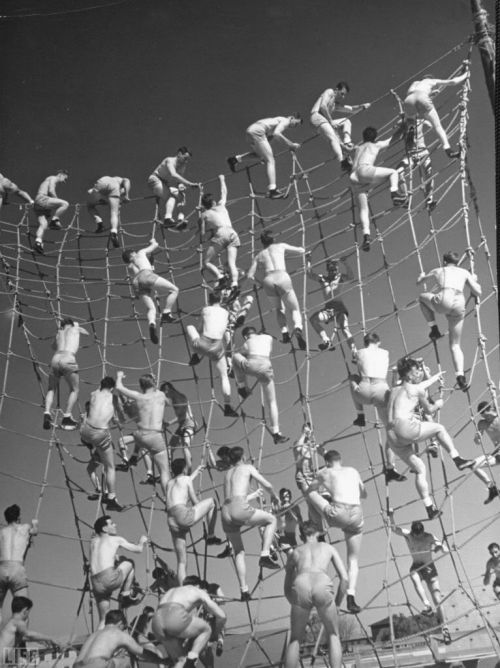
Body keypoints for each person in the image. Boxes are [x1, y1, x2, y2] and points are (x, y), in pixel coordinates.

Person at [386, 357, 474, 518]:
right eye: (417, 371)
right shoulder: (416, 390)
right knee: (439, 428)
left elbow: (416, 386)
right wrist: (439, 403)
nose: (420, 373)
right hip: (405, 428)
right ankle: (457, 459)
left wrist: (434, 377)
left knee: (420, 469)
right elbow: (430, 410)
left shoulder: (394, 389)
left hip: (391, 437)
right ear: (409, 376)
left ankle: (429, 508)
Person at [306, 450, 365, 614]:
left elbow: (311, 489)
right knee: (353, 560)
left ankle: (319, 529)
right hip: (356, 514)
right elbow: (364, 493)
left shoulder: (324, 471)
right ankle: (351, 597)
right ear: (340, 459)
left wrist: (326, 493)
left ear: (326, 462)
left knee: (309, 494)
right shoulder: (353, 470)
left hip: (337, 513)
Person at [283, 521, 348, 668]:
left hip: (301, 584)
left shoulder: (295, 552)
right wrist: (337, 603)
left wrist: (295, 601)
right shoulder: (328, 548)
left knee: (295, 639)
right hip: (322, 583)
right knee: (333, 634)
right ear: (318, 533)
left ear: (301, 535)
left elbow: (287, 588)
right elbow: (344, 579)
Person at [221, 446, 280, 601]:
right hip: (239, 507)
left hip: (225, 511)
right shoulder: (247, 467)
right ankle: (265, 554)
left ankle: (244, 590)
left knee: (238, 551)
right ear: (243, 456)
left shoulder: (227, 473)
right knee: (271, 519)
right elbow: (267, 485)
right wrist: (274, 496)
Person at [417, 251, 482, 391]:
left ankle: (434, 329)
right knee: (455, 344)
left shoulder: (439, 270)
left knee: (422, 297)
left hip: (444, 298)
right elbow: (478, 292)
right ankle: (460, 376)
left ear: (445, 262)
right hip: (459, 302)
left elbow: (419, 283)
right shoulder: (464, 272)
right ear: (457, 262)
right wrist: (473, 280)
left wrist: (422, 276)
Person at [349, 332, 406, 483]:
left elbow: (355, 357)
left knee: (353, 378)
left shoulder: (359, 352)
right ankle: (390, 467)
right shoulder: (385, 352)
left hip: (365, 390)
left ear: (366, 342)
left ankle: (360, 414)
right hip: (382, 390)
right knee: (390, 429)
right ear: (378, 342)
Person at [389, 514, 451, 645]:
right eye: (417, 536)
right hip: (417, 566)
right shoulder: (409, 535)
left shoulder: (429, 537)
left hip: (429, 567)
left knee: (438, 600)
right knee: (413, 575)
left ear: (423, 531)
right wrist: (391, 516)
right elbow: (394, 529)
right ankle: (426, 604)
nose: (419, 537)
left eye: (420, 535)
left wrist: (440, 547)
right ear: (413, 532)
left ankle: (445, 627)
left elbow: (446, 550)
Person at [349, 126, 407, 252]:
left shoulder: (358, 148)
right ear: (375, 137)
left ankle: (366, 235)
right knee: (392, 173)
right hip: (365, 171)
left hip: (353, 178)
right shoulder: (375, 145)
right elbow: (392, 139)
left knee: (363, 209)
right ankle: (395, 193)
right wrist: (403, 127)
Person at [246, 230, 306, 349]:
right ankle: (298, 327)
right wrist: (303, 250)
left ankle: (284, 332)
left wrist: (260, 284)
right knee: (294, 308)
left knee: (279, 308)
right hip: (282, 276)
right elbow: (301, 250)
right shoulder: (280, 246)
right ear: (273, 239)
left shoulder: (259, 256)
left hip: (268, 280)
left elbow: (249, 276)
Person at [166, 458, 222, 584]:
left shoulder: (169, 483)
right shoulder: (186, 479)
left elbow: (182, 483)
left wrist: (196, 472)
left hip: (171, 519)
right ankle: (211, 535)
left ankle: (182, 588)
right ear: (185, 468)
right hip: (182, 514)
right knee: (212, 502)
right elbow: (194, 500)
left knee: (181, 560)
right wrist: (201, 509)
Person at [115, 372, 171, 497]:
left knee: (137, 437)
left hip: (140, 435)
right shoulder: (160, 395)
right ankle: (169, 500)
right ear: (153, 383)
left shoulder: (138, 397)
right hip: (155, 436)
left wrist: (119, 376)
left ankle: (134, 455)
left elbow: (119, 388)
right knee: (164, 472)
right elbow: (168, 402)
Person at [232, 326, 288, 444]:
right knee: (272, 402)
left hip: (251, 365)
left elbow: (243, 353)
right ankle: (276, 432)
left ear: (245, 336)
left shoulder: (247, 342)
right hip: (266, 367)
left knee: (235, 355)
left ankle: (242, 387)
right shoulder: (268, 338)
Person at [186, 292, 238, 418]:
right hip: (217, 347)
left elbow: (200, 328)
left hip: (203, 343)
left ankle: (196, 355)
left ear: (209, 300)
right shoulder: (226, 313)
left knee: (190, 327)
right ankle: (228, 406)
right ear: (220, 299)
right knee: (224, 376)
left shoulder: (205, 309)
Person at [151, 579, 226, 668]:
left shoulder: (173, 590)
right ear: (198, 585)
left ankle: (190, 659)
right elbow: (222, 616)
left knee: (181, 660)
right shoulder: (198, 591)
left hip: (156, 621)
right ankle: (192, 656)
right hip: (174, 615)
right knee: (206, 629)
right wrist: (215, 635)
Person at [90, 515, 147, 629]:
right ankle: (126, 595)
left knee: (104, 619)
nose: (115, 525)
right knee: (130, 563)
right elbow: (138, 550)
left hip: (95, 583)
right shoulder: (116, 539)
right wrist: (142, 541)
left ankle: (97, 641)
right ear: (105, 529)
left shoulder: (93, 541)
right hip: (108, 578)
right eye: (111, 524)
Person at [227, 114, 302, 199]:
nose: (294, 126)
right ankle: (272, 190)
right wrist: (291, 145)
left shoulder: (276, 121)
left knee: (260, 156)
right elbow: (277, 133)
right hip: (258, 131)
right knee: (271, 161)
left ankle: (235, 159)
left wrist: (264, 155)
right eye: (296, 123)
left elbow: (269, 139)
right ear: (291, 117)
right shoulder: (286, 121)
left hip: (251, 131)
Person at [403, 66, 469, 159]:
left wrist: (430, 93)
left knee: (410, 119)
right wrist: (465, 74)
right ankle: (448, 150)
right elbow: (452, 82)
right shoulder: (431, 81)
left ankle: (411, 128)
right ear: (430, 78)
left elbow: (414, 95)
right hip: (422, 97)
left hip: (408, 100)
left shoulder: (415, 83)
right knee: (437, 126)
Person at [122, 239, 179, 344]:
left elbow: (137, 271)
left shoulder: (129, 267)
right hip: (146, 275)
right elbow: (155, 245)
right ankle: (166, 312)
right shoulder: (140, 253)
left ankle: (152, 323)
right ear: (132, 254)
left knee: (151, 308)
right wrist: (153, 241)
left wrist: (150, 265)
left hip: (136, 282)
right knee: (174, 290)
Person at [81, 377, 125, 512]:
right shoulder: (114, 398)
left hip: (85, 432)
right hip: (101, 435)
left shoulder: (93, 394)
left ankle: (100, 489)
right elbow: (122, 418)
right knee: (110, 467)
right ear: (112, 388)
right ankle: (111, 497)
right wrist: (119, 417)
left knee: (94, 465)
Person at [310, 82, 371, 171]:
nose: (343, 97)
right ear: (336, 90)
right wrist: (331, 121)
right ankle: (342, 162)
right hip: (316, 117)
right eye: (342, 94)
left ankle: (347, 143)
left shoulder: (335, 104)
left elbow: (351, 109)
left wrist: (362, 106)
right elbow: (323, 106)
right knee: (333, 138)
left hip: (325, 122)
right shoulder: (329, 92)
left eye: (344, 95)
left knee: (346, 121)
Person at [74, 609, 164, 668]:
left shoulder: (94, 634)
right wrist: (163, 661)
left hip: (76, 665)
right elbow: (142, 653)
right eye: (123, 628)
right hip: (96, 665)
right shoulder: (117, 633)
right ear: (120, 623)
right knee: (127, 660)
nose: (123, 630)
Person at [43, 317, 89, 431]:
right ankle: (67, 416)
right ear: (72, 324)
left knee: (51, 389)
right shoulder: (75, 329)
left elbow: (53, 346)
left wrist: (60, 332)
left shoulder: (59, 333)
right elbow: (87, 333)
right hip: (68, 357)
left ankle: (47, 412)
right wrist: (76, 326)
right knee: (74, 389)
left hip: (55, 359)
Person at [307, 254, 357, 354]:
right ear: (328, 270)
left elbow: (351, 277)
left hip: (339, 308)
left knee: (345, 329)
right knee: (313, 319)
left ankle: (354, 352)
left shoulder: (340, 278)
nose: (333, 271)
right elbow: (309, 274)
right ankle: (326, 340)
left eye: (335, 269)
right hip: (328, 309)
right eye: (331, 269)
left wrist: (346, 263)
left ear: (337, 269)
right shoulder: (323, 279)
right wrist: (308, 261)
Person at [200, 175, 240, 297]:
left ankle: (220, 277)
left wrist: (207, 238)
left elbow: (202, 232)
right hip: (233, 233)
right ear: (213, 202)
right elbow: (224, 192)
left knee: (206, 262)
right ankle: (234, 284)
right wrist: (222, 179)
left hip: (221, 233)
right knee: (232, 263)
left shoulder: (204, 214)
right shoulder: (221, 206)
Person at [0, 506, 38, 625]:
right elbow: (35, 532)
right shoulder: (25, 527)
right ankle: (20, 640)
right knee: (23, 609)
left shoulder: (1, 532)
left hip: (1, 568)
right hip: (17, 568)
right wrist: (35, 523)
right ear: (18, 517)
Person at [147, 147, 199, 230]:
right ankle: (167, 219)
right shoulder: (170, 160)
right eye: (185, 158)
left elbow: (179, 180)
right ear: (179, 154)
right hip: (155, 180)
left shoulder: (182, 166)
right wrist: (189, 184)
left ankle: (180, 220)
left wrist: (180, 185)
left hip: (164, 184)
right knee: (171, 196)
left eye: (187, 160)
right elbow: (174, 175)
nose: (186, 161)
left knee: (181, 196)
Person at [0, 597, 57, 665]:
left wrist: (41, 640)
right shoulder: (18, 622)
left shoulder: (9, 622)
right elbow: (28, 634)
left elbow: (23, 638)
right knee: (29, 660)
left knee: (24, 660)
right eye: (29, 612)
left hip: (4, 658)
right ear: (25, 611)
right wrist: (50, 638)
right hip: (2, 660)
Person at [396, 117, 436, 211]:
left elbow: (432, 125)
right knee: (398, 172)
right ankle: (405, 197)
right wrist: (402, 122)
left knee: (429, 174)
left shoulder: (421, 121)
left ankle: (429, 200)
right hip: (410, 154)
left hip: (423, 152)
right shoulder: (404, 122)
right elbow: (397, 125)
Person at [293, 424, 326, 536]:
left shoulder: (312, 446)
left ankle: (317, 527)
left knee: (314, 502)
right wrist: (304, 434)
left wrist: (322, 450)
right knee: (311, 501)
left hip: (311, 475)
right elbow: (297, 449)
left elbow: (326, 455)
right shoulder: (299, 443)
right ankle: (319, 529)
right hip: (302, 476)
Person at [159, 382, 196, 473]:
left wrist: (169, 423)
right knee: (169, 448)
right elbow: (180, 416)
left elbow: (183, 416)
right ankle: (170, 470)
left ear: (167, 390)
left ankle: (188, 469)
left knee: (185, 447)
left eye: (164, 393)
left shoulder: (179, 398)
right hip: (182, 425)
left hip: (188, 424)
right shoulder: (177, 398)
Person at [468, 401, 500, 504]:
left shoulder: (498, 412)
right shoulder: (482, 424)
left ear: (490, 410)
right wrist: (477, 437)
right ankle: (492, 488)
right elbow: (477, 442)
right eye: (484, 417)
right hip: (498, 454)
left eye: (487, 416)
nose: (487, 419)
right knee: (473, 464)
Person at [87, 176, 131, 247]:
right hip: (111, 186)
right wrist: (126, 195)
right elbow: (127, 180)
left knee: (90, 206)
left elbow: (90, 191)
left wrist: (101, 200)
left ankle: (100, 224)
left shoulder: (114, 181)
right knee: (114, 213)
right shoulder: (118, 181)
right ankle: (114, 232)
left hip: (102, 183)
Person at [33, 170, 69, 254]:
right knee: (65, 204)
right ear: (61, 175)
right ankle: (54, 220)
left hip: (37, 204)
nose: (64, 181)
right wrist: (57, 200)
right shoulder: (53, 178)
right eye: (65, 178)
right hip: (42, 199)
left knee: (43, 224)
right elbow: (51, 190)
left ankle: (38, 242)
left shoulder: (46, 180)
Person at [274, 488, 303, 552]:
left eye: (287, 496)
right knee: (291, 554)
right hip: (283, 536)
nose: (285, 498)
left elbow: (300, 522)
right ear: (281, 498)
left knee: (297, 557)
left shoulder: (295, 507)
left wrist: (289, 509)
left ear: (290, 496)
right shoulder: (278, 508)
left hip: (292, 536)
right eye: (283, 496)